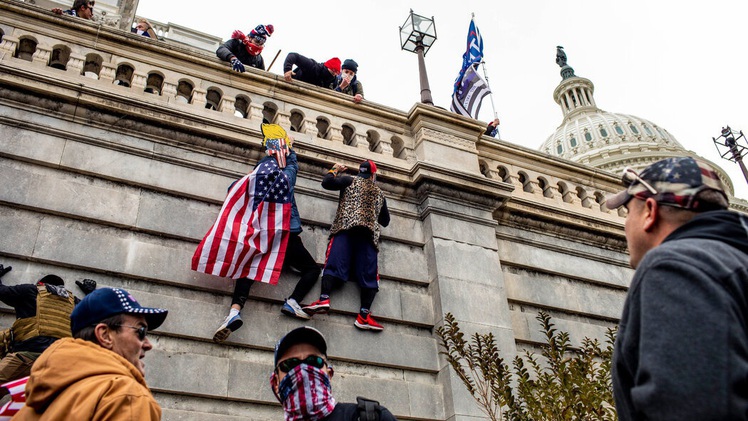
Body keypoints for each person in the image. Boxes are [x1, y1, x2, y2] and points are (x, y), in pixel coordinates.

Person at [605, 156, 748, 420]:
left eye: (627, 212)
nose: (625, 224)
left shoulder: (675, 266)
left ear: (650, 211)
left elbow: (690, 405)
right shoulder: (735, 261)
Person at [192, 124, 321, 343]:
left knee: (248, 269)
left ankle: (234, 310)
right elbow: (292, 170)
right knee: (312, 270)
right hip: (283, 234)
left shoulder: (253, 176)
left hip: (258, 234)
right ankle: (293, 301)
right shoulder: (283, 174)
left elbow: (234, 189)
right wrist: (290, 150)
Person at [12, 287, 168, 420]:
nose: (148, 345)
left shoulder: (29, 406)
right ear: (105, 335)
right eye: (141, 331)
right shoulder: (125, 396)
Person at [303, 160, 390, 331]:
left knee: (334, 264)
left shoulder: (349, 180)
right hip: (368, 236)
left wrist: (335, 169)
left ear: (360, 172)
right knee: (370, 276)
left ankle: (324, 298)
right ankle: (364, 315)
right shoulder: (379, 193)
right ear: (373, 175)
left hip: (345, 228)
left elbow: (326, 183)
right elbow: (385, 221)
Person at [0, 268, 96, 395]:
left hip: (26, 357)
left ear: (40, 284)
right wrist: (91, 293)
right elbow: (96, 314)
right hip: (59, 365)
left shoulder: (30, 290)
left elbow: (2, 292)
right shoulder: (74, 302)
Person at [270, 326, 398, 420]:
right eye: (290, 364)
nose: (303, 370)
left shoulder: (374, 417)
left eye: (314, 361)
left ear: (329, 374)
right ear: (276, 382)